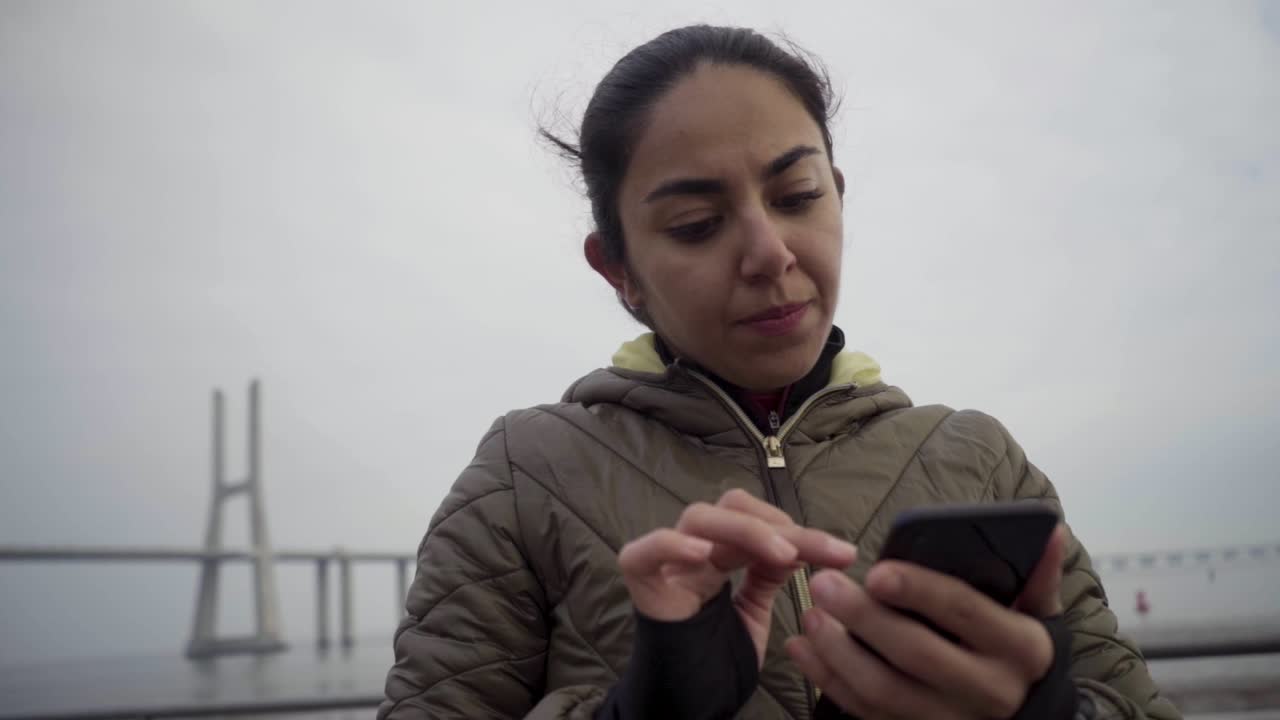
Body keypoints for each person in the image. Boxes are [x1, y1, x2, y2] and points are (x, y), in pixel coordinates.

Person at [379, 25, 1179, 720]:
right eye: (696, 225)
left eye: (797, 194)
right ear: (617, 269)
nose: (771, 253)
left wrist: (1048, 710)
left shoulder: (975, 457)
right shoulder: (526, 474)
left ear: (837, 193)